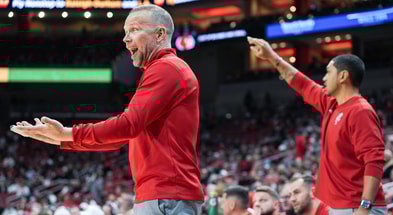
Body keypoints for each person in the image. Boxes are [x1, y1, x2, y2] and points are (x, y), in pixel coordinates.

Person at [10, 4, 203, 215]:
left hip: (166, 195)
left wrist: (69, 133)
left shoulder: (165, 68)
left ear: (159, 34)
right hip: (166, 194)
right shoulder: (167, 70)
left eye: (134, 30)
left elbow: (127, 126)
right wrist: (62, 139)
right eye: (125, 32)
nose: (126, 38)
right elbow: (122, 136)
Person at [247, 37, 386, 215]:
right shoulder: (331, 104)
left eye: (329, 72)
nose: (324, 77)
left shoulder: (360, 111)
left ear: (343, 76)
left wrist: (364, 207)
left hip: (358, 207)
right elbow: (302, 84)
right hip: (341, 206)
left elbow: (374, 160)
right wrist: (272, 57)